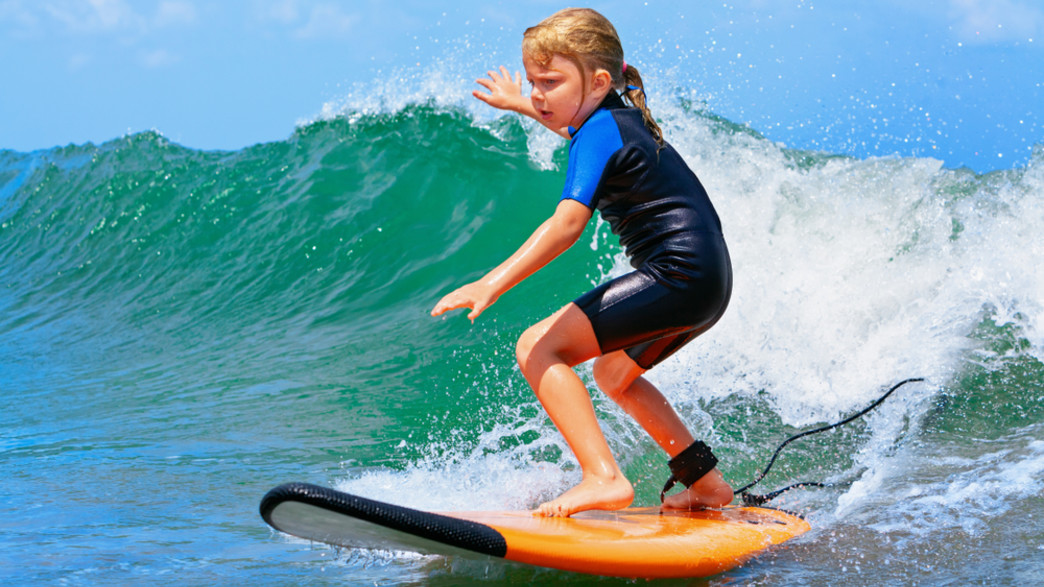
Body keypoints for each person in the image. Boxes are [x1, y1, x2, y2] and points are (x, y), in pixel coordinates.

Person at [431, 7, 734, 518]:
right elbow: (581, 134)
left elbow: (567, 226)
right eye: (533, 82)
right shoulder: (613, 119)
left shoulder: (597, 131)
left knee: (536, 347)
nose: (539, 94)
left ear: (596, 81)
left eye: (550, 81)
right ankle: (707, 485)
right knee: (615, 374)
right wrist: (523, 106)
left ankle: (603, 477)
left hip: (678, 275)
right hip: (708, 280)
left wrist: (491, 282)